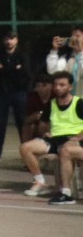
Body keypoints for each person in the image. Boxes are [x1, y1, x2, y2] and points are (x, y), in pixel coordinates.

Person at [20, 71, 82, 200]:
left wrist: (80, 136)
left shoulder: (79, 103)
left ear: (70, 87)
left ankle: (65, 192)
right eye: (56, 85)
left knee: (66, 150)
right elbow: (43, 123)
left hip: (73, 139)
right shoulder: (52, 103)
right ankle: (40, 181)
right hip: (55, 138)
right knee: (25, 147)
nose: (58, 88)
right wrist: (45, 132)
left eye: (62, 85)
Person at [0, 31, 31, 162]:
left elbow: (26, 74)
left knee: (21, 123)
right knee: (1, 123)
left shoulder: (22, 55)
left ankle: (26, 153)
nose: (9, 41)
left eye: (12, 38)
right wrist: (14, 69)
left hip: (18, 93)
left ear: (16, 40)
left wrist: (5, 69)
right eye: (7, 38)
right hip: (2, 93)